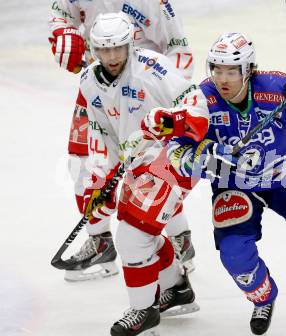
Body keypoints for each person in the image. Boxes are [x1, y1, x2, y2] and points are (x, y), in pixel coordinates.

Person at [143, 32, 286, 335]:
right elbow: (175, 152)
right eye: (216, 69)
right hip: (234, 185)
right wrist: (209, 156)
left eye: (231, 71)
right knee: (235, 256)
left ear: (249, 70)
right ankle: (264, 299)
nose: (222, 78)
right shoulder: (201, 99)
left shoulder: (276, 87)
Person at [48, 0, 196, 280]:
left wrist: (169, 101)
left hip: (145, 92)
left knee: (153, 173)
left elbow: (179, 47)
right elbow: (60, 14)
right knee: (82, 162)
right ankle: (99, 240)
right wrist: (64, 34)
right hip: (97, 84)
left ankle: (180, 241)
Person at [77, 13, 204, 335]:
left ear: (129, 44)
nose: (112, 57)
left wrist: (167, 120)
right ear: (94, 50)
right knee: (140, 230)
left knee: (132, 237)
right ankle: (176, 290)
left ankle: (143, 311)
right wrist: (105, 178)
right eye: (104, 51)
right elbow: (105, 133)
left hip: (176, 155)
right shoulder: (89, 81)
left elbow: (198, 108)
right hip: (139, 165)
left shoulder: (152, 67)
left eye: (117, 48)